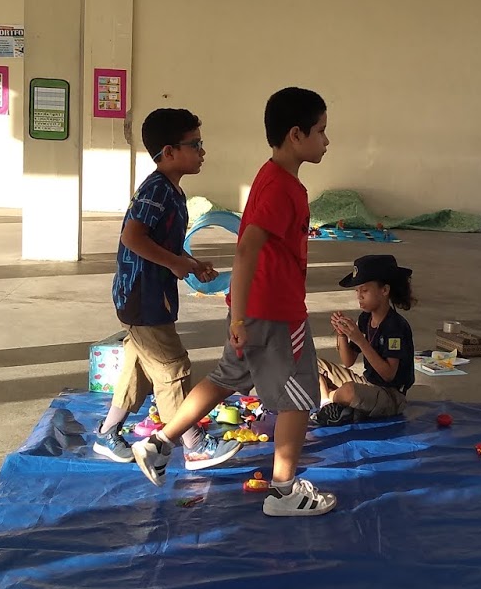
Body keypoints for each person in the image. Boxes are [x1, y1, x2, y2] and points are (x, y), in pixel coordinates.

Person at [132, 86, 338, 516]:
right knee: (300, 397)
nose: (326, 140)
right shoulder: (282, 189)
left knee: (227, 377)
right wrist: (240, 317)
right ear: (296, 134)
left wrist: (240, 315)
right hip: (275, 313)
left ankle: (159, 443)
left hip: (255, 309)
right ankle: (284, 493)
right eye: (320, 131)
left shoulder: (272, 177)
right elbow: (247, 249)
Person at [93, 108, 237, 468]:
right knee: (172, 367)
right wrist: (174, 263)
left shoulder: (171, 191)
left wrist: (189, 263)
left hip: (148, 294)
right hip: (142, 295)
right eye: (195, 144)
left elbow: (162, 242)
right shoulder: (157, 190)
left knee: (139, 366)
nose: (203, 152)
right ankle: (193, 444)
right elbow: (133, 237)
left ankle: (107, 433)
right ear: (169, 152)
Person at [313, 254, 416, 426]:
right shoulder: (365, 318)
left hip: (390, 395)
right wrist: (342, 334)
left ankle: (331, 398)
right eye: (357, 291)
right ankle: (328, 403)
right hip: (368, 383)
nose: (359, 296)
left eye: (365, 290)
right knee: (311, 364)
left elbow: (388, 375)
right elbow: (348, 361)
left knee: (350, 391)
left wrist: (361, 341)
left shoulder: (395, 326)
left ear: (384, 290)